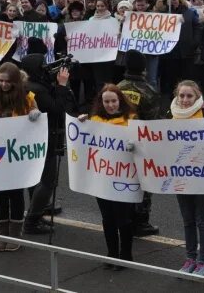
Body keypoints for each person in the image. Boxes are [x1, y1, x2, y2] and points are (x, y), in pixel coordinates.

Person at [0, 62, 41, 251]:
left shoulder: (27, 97)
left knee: (15, 194)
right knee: (0, 195)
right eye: (1, 80)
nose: (4, 85)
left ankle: (15, 234)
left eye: (8, 81)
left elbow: (36, 119)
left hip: (17, 154)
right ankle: (2, 234)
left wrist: (35, 113)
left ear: (15, 82)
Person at [76, 85, 137, 269]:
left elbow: (143, 145)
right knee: (107, 218)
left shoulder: (131, 120)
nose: (110, 105)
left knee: (123, 218)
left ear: (120, 101)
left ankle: (126, 256)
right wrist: (81, 123)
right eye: (106, 101)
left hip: (123, 178)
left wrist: (134, 144)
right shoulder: (94, 120)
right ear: (101, 102)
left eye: (113, 101)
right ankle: (111, 254)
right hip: (102, 177)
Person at [164, 80, 204, 277]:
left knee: (202, 219)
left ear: (197, 97)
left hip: (202, 177)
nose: (185, 100)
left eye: (189, 96)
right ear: (176, 96)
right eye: (182, 96)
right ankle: (190, 258)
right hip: (181, 176)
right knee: (188, 219)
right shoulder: (170, 116)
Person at [20, 51, 77, 235]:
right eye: (43, 65)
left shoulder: (29, 85)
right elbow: (58, 110)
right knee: (48, 181)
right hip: (46, 138)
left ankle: (36, 212)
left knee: (35, 179)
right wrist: (62, 85)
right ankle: (32, 220)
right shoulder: (38, 90)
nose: (47, 68)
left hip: (34, 138)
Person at [116, 49, 160, 237]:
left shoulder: (117, 87)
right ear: (143, 68)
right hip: (141, 144)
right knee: (143, 182)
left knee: (123, 180)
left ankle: (124, 218)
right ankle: (141, 222)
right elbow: (153, 123)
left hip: (119, 142)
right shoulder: (148, 91)